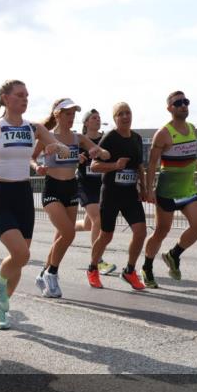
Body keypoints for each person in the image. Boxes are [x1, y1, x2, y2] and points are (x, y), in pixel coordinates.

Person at [0, 80, 70, 329]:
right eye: (19, 95)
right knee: (21, 254)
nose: (25, 99)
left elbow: (54, 142)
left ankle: (1, 309)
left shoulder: (32, 128)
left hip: (24, 195)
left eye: (27, 95)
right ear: (5, 98)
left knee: (21, 261)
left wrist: (59, 147)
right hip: (2, 195)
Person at [32, 99, 110, 298]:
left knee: (60, 237)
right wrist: (37, 167)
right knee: (68, 233)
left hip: (71, 188)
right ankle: (52, 273)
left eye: (74, 114)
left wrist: (97, 151)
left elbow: (103, 152)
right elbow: (31, 157)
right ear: (57, 114)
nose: (71, 117)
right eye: (67, 113)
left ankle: (43, 273)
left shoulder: (78, 138)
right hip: (52, 189)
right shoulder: (47, 136)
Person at [141, 91, 197, 288]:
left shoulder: (190, 128)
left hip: (188, 189)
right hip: (167, 191)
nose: (183, 106)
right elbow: (153, 164)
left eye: (185, 102)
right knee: (161, 231)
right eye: (178, 103)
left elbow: (183, 154)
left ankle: (174, 254)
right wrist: (149, 189)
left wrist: (196, 162)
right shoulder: (163, 133)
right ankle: (147, 267)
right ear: (169, 108)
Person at [86, 102, 149, 291]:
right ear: (114, 118)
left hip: (130, 194)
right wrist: (115, 166)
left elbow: (139, 166)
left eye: (127, 113)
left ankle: (129, 271)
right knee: (106, 236)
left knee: (141, 232)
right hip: (111, 194)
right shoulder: (110, 138)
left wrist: (145, 188)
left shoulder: (137, 138)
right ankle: (92, 268)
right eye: (120, 114)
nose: (124, 116)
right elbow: (94, 166)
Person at [75, 109, 116, 275]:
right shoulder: (79, 141)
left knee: (88, 224)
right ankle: (97, 261)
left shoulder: (104, 138)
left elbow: (110, 157)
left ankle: (67, 229)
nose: (98, 120)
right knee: (98, 220)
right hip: (84, 185)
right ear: (86, 123)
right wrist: (77, 158)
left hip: (101, 185)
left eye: (99, 117)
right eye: (94, 118)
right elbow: (69, 159)